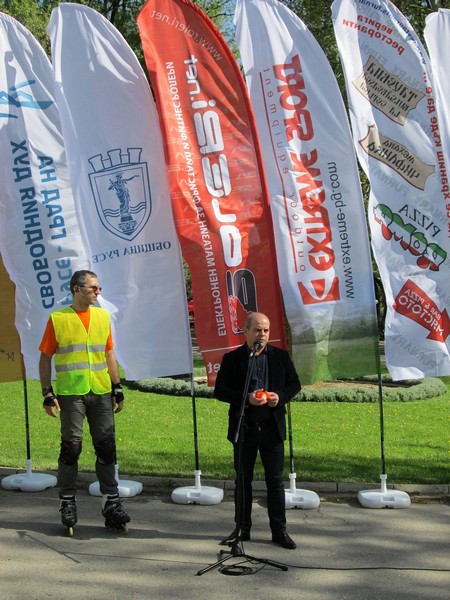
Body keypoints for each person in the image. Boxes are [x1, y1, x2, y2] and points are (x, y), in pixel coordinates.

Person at [38, 269, 130, 532]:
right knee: (71, 448)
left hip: (100, 391)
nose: (98, 292)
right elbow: (45, 357)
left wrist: (117, 387)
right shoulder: (58, 319)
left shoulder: (102, 316)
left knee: (107, 447)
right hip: (71, 393)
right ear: (77, 289)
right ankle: (67, 501)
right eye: (93, 288)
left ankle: (111, 502)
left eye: (98, 288)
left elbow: (108, 353)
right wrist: (47, 393)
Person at [214, 312, 301, 550]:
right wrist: (246, 398)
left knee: (275, 482)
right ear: (246, 332)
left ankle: (279, 530)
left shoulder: (280, 357)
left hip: (272, 429)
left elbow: (295, 384)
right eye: (257, 330)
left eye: (266, 330)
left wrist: (279, 397)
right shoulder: (233, 359)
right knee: (243, 480)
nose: (262, 334)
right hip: (245, 429)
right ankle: (242, 528)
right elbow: (220, 390)